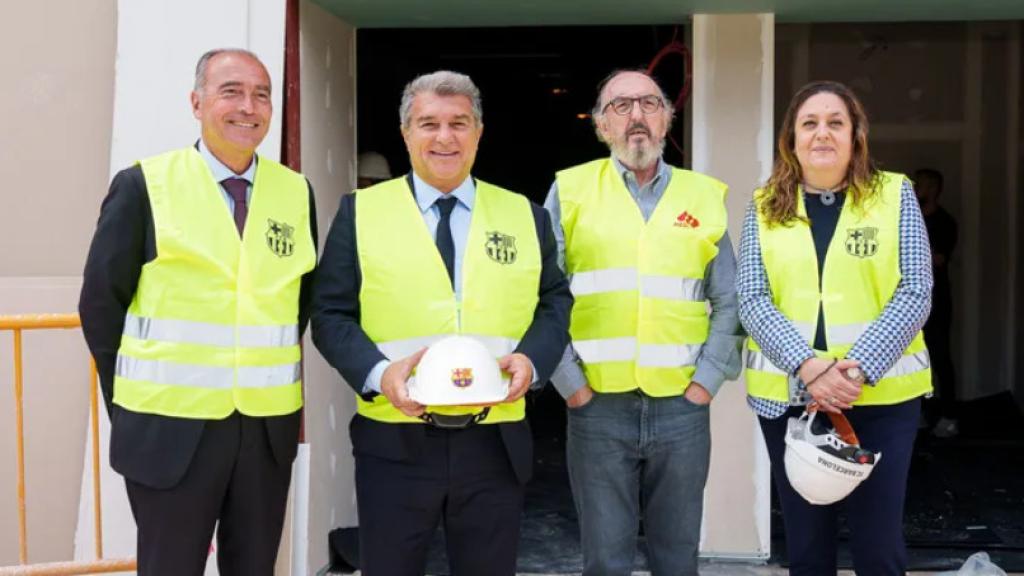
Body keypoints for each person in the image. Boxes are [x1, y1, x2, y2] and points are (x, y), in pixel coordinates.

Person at [312, 70, 572, 576]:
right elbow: (330, 313)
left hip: (495, 440)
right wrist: (376, 373)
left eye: (459, 123)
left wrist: (533, 362)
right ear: (406, 133)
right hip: (396, 438)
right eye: (428, 124)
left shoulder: (525, 214)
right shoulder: (360, 212)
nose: (445, 137)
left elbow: (554, 301)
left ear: (479, 131)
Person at [78, 48, 318, 575]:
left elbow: (295, 304)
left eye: (261, 94)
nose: (248, 106)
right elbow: (101, 306)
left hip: (263, 431)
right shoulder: (144, 185)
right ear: (197, 102)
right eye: (231, 90)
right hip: (168, 428)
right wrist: (134, 403)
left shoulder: (295, 192)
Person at [544, 69, 743, 576]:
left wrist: (707, 381)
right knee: (605, 560)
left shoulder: (704, 196)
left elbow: (731, 298)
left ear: (667, 119)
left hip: (682, 407)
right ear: (601, 126)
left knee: (677, 559)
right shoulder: (569, 191)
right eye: (620, 106)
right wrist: (570, 385)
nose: (636, 116)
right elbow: (542, 296)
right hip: (597, 408)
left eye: (649, 104)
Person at [737, 80, 932, 576]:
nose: (822, 133)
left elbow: (915, 290)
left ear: (856, 135)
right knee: (806, 548)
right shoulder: (762, 206)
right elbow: (752, 299)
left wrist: (856, 369)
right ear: (791, 138)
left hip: (882, 400)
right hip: (790, 400)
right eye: (809, 123)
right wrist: (809, 368)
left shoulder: (895, 194)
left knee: (878, 547)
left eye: (835, 122)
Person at [915, 168, 960, 438]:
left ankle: (949, 416)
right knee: (914, 357)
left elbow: (939, 259)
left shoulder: (945, 222)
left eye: (924, 186)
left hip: (938, 299)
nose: (919, 189)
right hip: (912, 300)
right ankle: (920, 412)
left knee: (940, 356)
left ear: (935, 189)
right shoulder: (910, 219)